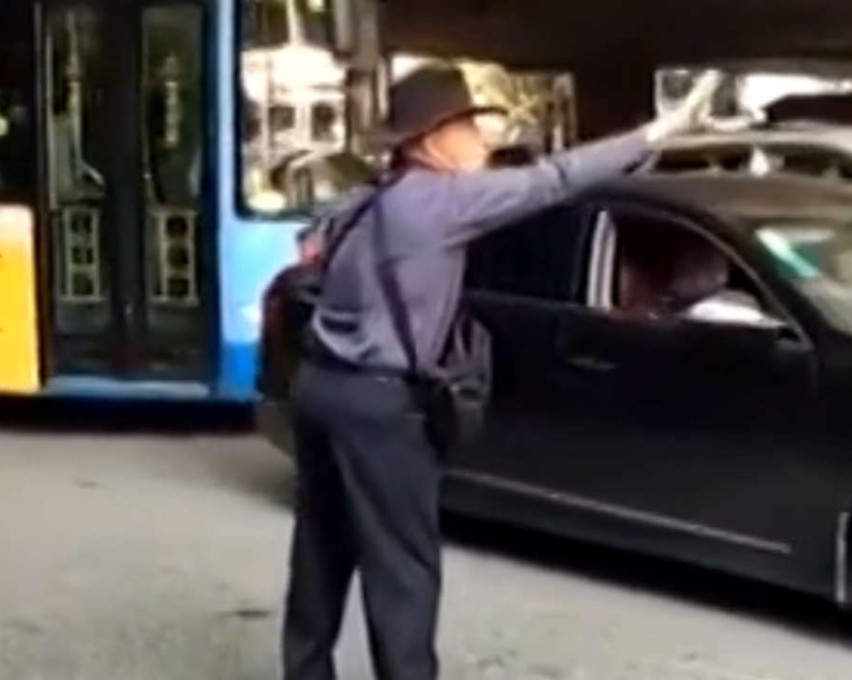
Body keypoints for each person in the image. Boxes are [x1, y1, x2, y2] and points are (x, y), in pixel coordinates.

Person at [281, 64, 722, 680]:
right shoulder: (441, 201)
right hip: (381, 406)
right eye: (469, 127)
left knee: (321, 548)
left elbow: (308, 247)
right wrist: (655, 133)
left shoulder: (365, 198)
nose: (483, 143)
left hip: (319, 389)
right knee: (403, 566)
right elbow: (553, 180)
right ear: (433, 139)